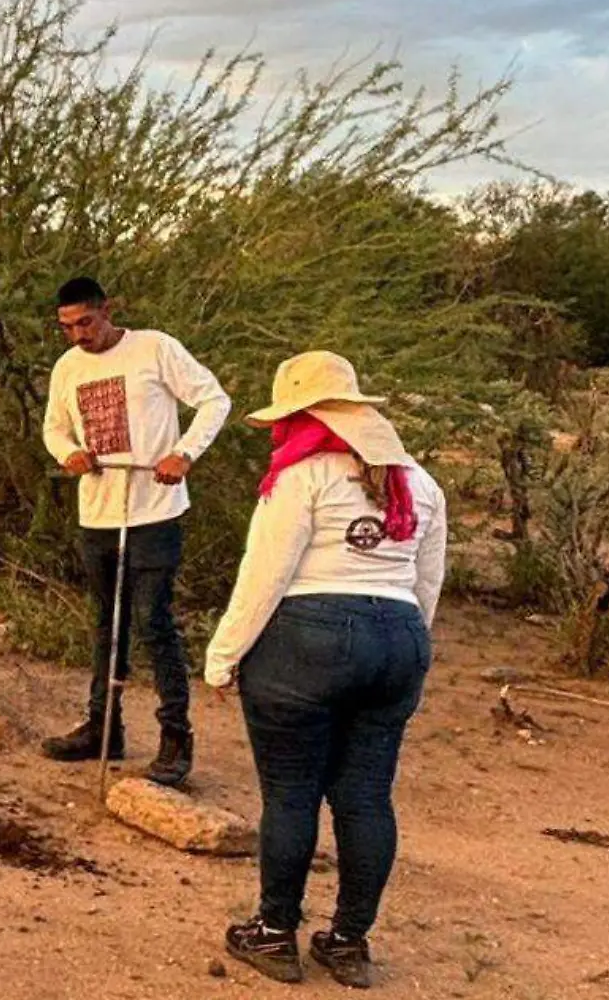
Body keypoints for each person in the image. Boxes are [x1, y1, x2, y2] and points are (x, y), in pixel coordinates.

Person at [206, 351, 447, 989]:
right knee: (366, 797)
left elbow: (264, 577)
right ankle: (347, 943)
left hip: (305, 641)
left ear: (303, 416)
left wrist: (223, 656)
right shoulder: (419, 482)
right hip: (398, 641)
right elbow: (427, 585)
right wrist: (399, 650)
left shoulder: (302, 476)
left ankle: (275, 932)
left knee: (291, 793)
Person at [39, 275, 231, 786]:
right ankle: (103, 727)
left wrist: (183, 453)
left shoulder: (154, 348)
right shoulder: (68, 368)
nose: (78, 334)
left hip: (154, 509)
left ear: (107, 310)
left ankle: (175, 736)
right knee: (107, 620)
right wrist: (69, 453)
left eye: (85, 322)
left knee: (151, 619)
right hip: (98, 512)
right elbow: (54, 428)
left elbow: (214, 401)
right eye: (67, 327)